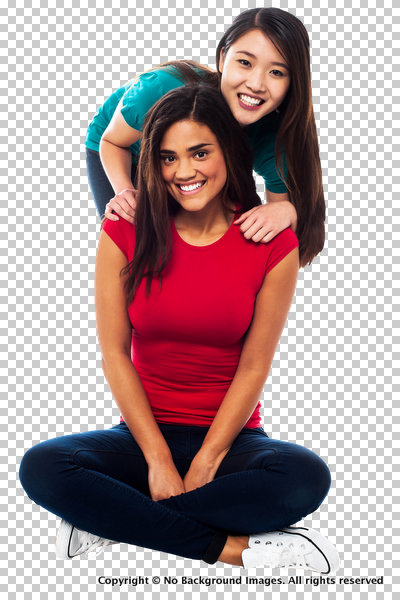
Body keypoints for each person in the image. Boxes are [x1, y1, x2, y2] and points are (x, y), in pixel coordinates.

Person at [19, 84, 339, 572]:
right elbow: (113, 354)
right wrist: (158, 461)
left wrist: (207, 462)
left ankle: (109, 518)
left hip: (231, 442)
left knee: (305, 478)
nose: (183, 171)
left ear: (229, 151)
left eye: (200, 153)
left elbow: (255, 367)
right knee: (43, 467)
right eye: (168, 157)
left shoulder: (272, 242)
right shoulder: (124, 229)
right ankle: (234, 551)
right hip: (142, 437)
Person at [86, 7, 325, 268]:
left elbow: (277, 230)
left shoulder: (273, 139)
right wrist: (125, 191)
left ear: (293, 82)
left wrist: (288, 211)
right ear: (223, 58)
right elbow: (111, 142)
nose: (256, 84)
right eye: (245, 63)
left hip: (200, 161)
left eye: (276, 72)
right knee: (139, 242)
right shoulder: (160, 90)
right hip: (123, 148)